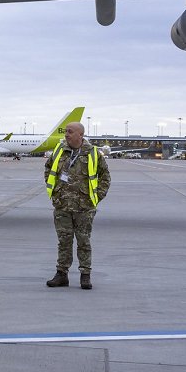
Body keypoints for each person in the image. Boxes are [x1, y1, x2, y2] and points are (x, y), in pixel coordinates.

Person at [44, 121, 110, 290]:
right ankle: (61, 274)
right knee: (64, 241)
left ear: (80, 134)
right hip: (62, 206)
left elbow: (105, 178)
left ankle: (85, 275)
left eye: (70, 132)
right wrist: (55, 193)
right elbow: (48, 169)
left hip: (84, 208)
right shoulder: (60, 151)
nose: (66, 134)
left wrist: (95, 198)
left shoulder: (94, 154)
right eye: (66, 131)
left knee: (84, 241)